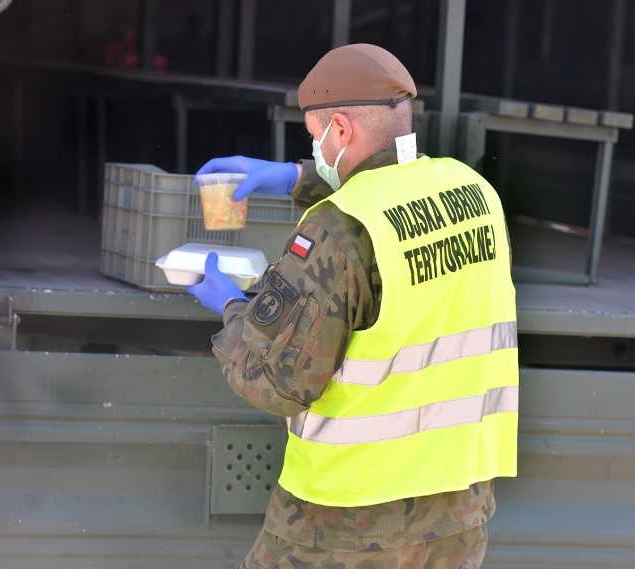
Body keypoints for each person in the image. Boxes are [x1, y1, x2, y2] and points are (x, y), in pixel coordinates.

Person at [187, 43, 518, 569]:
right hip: (459, 513)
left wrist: (230, 306)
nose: (316, 148)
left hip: (345, 526)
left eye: (317, 138)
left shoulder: (336, 234)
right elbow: (395, 184)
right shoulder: (473, 191)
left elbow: (275, 384)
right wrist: (294, 176)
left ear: (341, 129)